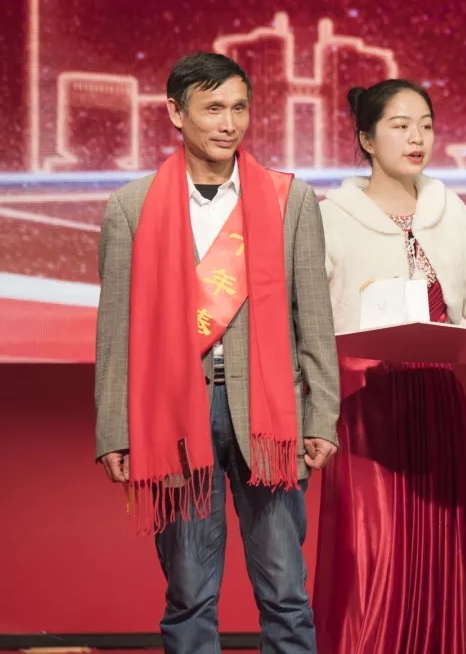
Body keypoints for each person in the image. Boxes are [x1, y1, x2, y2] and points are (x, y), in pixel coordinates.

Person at [94, 52, 340, 654]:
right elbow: (115, 330)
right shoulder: (131, 206)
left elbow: (314, 319)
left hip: (270, 417)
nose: (229, 124)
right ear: (176, 113)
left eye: (238, 108)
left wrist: (322, 417)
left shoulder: (289, 200)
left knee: (285, 590)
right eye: (212, 109)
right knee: (189, 593)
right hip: (175, 415)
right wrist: (114, 431)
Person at [313, 79, 466, 654]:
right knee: (372, 552)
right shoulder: (332, 217)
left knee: (438, 548)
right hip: (365, 403)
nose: (417, 137)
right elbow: (311, 318)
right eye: (400, 126)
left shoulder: (449, 209)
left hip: (438, 397)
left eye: (425, 125)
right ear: (367, 139)